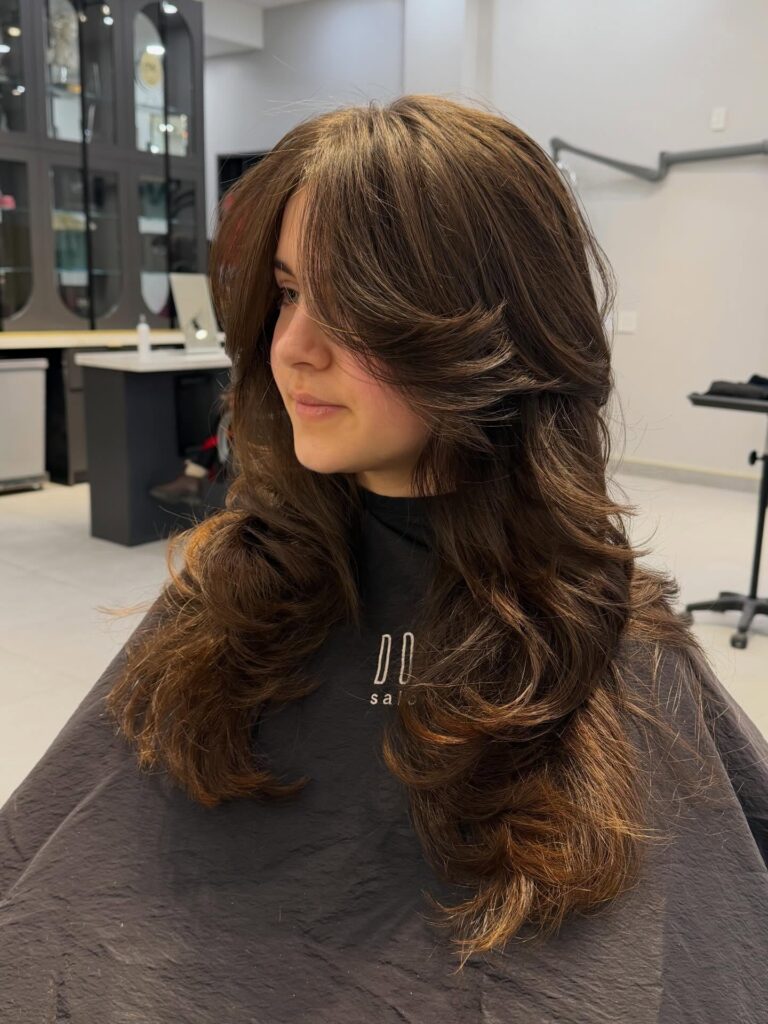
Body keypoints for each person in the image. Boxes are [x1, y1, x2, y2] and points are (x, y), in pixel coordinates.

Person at [1, 94, 766, 1023]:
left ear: (487, 329)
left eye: (352, 305)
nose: (291, 348)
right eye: (286, 292)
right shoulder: (239, 592)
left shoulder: (609, 640)